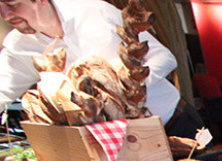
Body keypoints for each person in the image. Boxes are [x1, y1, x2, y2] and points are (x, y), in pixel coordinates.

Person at [0, 0, 203, 139]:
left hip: (174, 125)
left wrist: (124, 85)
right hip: (117, 149)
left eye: (12, 4)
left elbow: (164, 58)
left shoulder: (93, 11)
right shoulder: (19, 47)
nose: (5, 15)